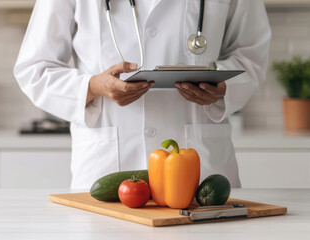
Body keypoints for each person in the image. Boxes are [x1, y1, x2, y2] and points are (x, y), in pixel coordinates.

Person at [14, 0, 271, 189]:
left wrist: (222, 87)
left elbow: (252, 54)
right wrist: (94, 86)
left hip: (201, 167)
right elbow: (35, 68)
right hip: (109, 163)